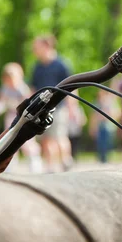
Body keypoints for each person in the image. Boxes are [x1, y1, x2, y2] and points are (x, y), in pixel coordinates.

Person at [31, 35, 77, 172]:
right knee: (45, 138)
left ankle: (66, 161)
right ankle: (50, 166)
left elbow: (72, 88)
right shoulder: (37, 67)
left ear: (46, 46)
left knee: (59, 136)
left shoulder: (61, 65)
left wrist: (72, 108)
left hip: (59, 107)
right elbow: (33, 89)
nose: (34, 50)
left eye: (36, 47)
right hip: (42, 109)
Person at [0, 63, 43, 173]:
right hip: (10, 118)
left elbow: (27, 104)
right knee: (9, 141)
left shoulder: (22, 89)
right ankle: (10, 165)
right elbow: (2, 102)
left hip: (23, 119)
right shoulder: (4, 89)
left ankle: (35, 163)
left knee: (27, 143)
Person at [89, 90, 117, 163]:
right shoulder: (96, 104)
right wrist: (93, 127)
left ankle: (106, 157)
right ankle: (101, 157)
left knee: (107, 142)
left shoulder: (108, 104)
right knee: (100, 143)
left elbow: (114, 114)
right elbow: (94, 117)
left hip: (107, 127)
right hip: (100, 126)